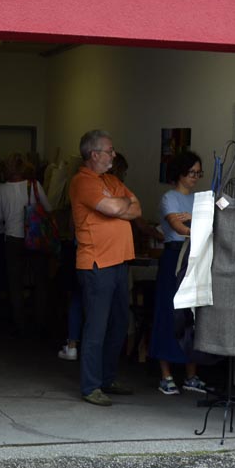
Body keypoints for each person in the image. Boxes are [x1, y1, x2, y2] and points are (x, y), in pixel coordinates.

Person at [69, 129, 141, 406]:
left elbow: (137, 209)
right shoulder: (82, 182)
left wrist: (120, 205)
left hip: (120, 261)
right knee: (97, 327)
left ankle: (108, 378)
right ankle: (91, 386)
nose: (114, 154)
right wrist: (121, 206)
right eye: (109, 151)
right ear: (94, 154)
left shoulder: (111, 180)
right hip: (97, 264)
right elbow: (114, 209)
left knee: (119, 324)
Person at [150, 151, 208, 396]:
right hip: (175, 256)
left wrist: (195, 220)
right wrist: (198, 224)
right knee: (168, 312)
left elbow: (209, 224)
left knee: (192, 315)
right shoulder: (169, 198)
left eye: (198, 173)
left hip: (196, 257)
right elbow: (177, 227)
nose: (195, 177)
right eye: (191, 172)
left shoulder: (199, 200)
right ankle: (166, 375)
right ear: (179, 173)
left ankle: (191, 375)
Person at [0, 152, 52, 336]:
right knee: (40, 281)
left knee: (15, 283)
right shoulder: (34, 185)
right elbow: (49, 209)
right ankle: (41, 321)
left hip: (12, 238)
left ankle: (19, 324)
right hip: (34, 237)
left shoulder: (1, 189)